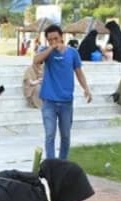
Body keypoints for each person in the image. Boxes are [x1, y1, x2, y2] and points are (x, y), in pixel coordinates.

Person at [34, 25, 92, 160]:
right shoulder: (45, 51)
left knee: (65, 135)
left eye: (56, 38)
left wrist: (86, 89)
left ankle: (62, 162)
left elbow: (79, 72)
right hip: (49, 101)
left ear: (62, 37)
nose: (54, 41)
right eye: (50, 40)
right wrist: (50, 49)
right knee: (50, 134)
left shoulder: (72, 53)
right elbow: (36, 61)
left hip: (66, 101)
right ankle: (51, 163)